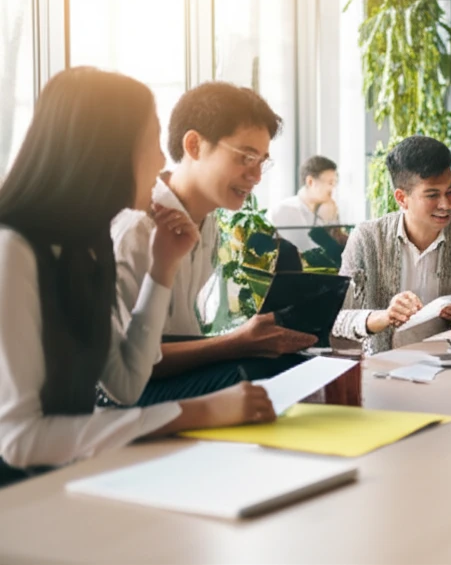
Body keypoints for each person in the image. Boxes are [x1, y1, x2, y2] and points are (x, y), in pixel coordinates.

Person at [0, 68, 275, 488]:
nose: (162, 161)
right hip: (24, 497)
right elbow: (19, 441)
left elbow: (126, 384)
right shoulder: (13, 251)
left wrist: (162, 269)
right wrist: (199, 411)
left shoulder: (86, 247)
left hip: (73, 479)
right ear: (103, 151)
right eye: (150, 143)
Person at [111, 82, 318, 406]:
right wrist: (237, 342)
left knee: (295, 364)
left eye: (262, 161)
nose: (256, 176)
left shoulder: (207, 225)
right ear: (194, 145)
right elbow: (126, 369)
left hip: (169, 378)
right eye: (246, 157)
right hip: (124, 396)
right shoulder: (138, 228)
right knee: (257, 374)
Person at [333, 136, 451, 354]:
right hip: (385, 366)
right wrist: (386, 316)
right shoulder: (367, 238)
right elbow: (338, 318)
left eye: (450, 191)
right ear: (402, 198)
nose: (446, 204)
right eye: (432, 195)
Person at [269, 155, 340, 228]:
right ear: (310, 182)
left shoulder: (325, 211)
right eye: (330, 183)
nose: (333, 188)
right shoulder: (286, 210)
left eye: (335, 183)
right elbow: (300, 236)